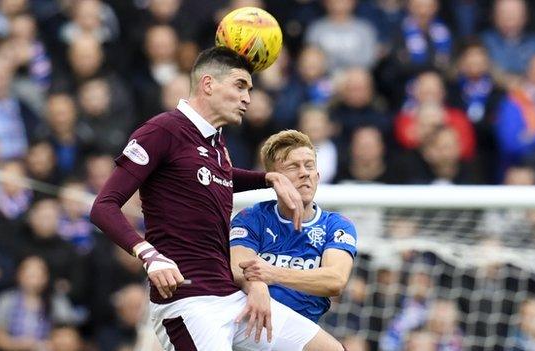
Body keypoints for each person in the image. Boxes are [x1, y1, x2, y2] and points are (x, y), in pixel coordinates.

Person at [90, 46, 345, 350]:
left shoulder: (216, 144)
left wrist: (267, 178)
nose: (247, 98)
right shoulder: (162, 130)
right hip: (188, 301)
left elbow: (217, 177)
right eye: (240, 86)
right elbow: (103, 207)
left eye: (249, 89)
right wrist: (149, 255)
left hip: (230, 296)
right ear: (208, 84)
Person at [229, 130, 357, 323]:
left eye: (309, 166)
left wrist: (273, 273)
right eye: (293, 167)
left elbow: (335, 280)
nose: (304, 173)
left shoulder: (337, 225)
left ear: (318, 176)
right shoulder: (251, 218)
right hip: (253, 325)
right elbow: (239, 269)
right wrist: (258, 285)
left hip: (305, 329)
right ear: (274, 179)